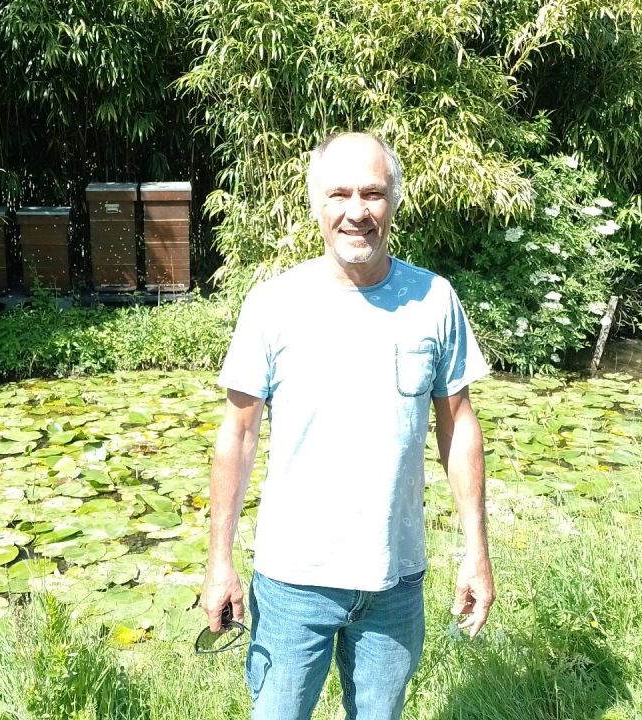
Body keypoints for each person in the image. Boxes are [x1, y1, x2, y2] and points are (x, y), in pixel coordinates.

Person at [200, 131, 495, 719]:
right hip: (291, 583)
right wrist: (219, 560)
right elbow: (237, 435)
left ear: (394, 202)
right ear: (316, 205)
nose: (356, 211)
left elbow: (459, 428)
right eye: (339, 194)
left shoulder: (435, 300)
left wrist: (476, 551)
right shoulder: (272, 304)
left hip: (395, 580)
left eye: (373, 193)